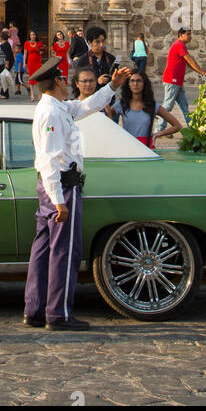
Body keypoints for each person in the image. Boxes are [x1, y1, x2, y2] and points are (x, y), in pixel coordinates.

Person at [24, 56, 130, 330]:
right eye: (63, 78)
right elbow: (49, 159)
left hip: (55, 188)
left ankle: (35, 309)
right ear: (57, 81)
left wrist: (111, 87)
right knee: (64, 252)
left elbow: (84, 106)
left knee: (43, 249)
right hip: (61, 187)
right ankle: (58, 314)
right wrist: (60, 201)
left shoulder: (57, 107)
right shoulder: (50, 113)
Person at [112, 69, 182, 147]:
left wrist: (157, 134)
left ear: (144, 83)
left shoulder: (152, 105)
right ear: (128, 84)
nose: (135, 84)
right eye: (132, 81)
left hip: (147, 148)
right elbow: (105, 117)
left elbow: (177, 126)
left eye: (139, 81)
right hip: (128, 147)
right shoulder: (121, 104)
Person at [160, 28, 206, 123]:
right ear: (181, 35)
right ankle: (159, 130)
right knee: (167, 106)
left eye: (190, 34)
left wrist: (201, 71)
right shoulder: (179, 45)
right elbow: (189, 59)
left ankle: (192, 129)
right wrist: (202, 72)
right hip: (172, 80)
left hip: (177, 81)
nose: (190, 36)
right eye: (188, 34)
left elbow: (189, 62)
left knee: (184, 106)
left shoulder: (181, 45)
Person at [0, 30, 14, 97]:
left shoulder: (5, 45)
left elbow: (8, 55)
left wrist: (6, 64)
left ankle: (5, 93)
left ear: (2, 37)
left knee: (4, 78)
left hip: (3, 63)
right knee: (0, 77)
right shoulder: (3, 44)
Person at [24, 32, 43, 101]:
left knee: (39, 78)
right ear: (29, 36)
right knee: (31, 78)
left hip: (38, 62)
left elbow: (42, 52)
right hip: (30, 62)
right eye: (31, 34)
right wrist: (24, 63)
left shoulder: (39, 43)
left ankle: (40, 94)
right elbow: (25, 53)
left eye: (34, 34)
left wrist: (40, 51)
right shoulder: (26, 43)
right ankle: (32, 94)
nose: (33, 36)